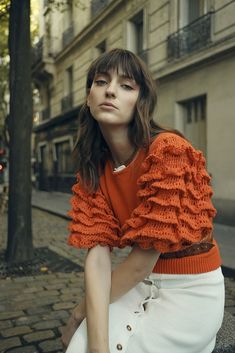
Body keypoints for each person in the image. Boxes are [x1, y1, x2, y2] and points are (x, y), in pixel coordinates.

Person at [61, 48, 224, 353]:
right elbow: (97, 258)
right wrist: (90, 336)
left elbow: (139, 264)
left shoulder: (168, 151)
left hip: (191, 288)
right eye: (101, 81)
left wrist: (81, 312)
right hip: (142, 285)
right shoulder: (93, 168)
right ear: (88, 96)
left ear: (141, 101)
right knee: (80, 348)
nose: (110, 90)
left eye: (126, 86)